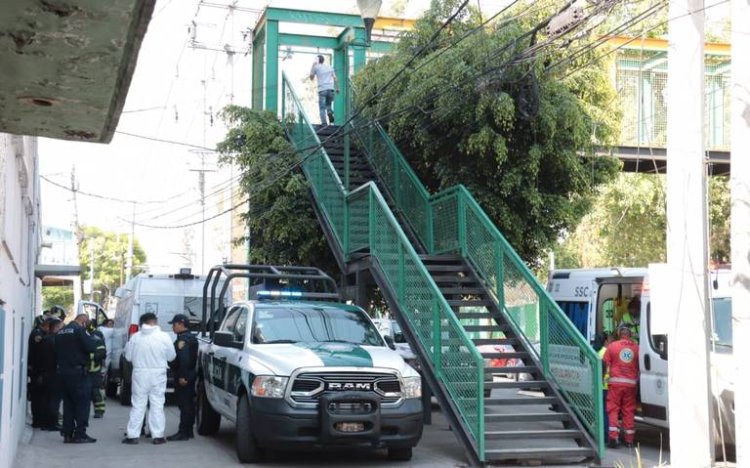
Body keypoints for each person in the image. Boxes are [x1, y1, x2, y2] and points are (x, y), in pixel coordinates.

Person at [122, 313, 176, 445]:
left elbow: (128, 357)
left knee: (138, 404)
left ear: (142, 323)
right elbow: (171, 356)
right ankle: (157, 435)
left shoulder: (135, 338)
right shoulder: (164, 337)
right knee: (157, 404)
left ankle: (132, 435)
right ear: (155, 322)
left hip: (140, 373)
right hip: (158, 374)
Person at [54, 313, 99, 443]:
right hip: (78, 373)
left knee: (68, 403)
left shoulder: (61, 331)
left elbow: (55, 350)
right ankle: (80, 433)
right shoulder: (80, 330)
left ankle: (67, 433)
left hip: (63, 372)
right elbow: (91, 347)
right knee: (82, 403)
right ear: (84, 322)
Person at [603, 323, 640, 449]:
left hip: (615, 384)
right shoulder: (637, 347)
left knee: (613, 410)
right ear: (630, 334)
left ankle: (613, 437)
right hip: (630, 385)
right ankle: (629, 440)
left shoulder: (612, 346)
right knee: (628, 411)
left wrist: (602, 378)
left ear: (619, 333)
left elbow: (604, 363)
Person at [167, 314, 199, 441]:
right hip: (189, 375)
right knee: (188, 404)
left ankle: (183, 432)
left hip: (184, 376)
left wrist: (182, 376)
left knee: (184, 405)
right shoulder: (189, 337)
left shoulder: (183, 340)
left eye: (174, 324)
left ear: (181, 324)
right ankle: (189, 431)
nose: (173, 327)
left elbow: (184, 360)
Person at [39, 316, 63, 431]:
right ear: (56, 327)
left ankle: (45, 423)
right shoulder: (55, 340)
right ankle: (52, 423)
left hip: (46, 372)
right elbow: (58, 357)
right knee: (54, 400)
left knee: (46, 399)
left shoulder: (45, 338)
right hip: (53, 373)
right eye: (60, 327)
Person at [28, 315, 51, 428]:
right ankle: (38, 421)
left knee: (39, 397)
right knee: (38, 397)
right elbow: (38, 354)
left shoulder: (39, 333)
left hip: (37, 370)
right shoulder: (38, 334)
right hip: (37, 370)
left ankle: (39, 420)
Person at [309, 54, 339, 125]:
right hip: (331, 89)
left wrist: (313, 65)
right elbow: (335, 78)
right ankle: (329, 112)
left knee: (322, 108)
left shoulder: (316, 67)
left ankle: (324, 124)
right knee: (328, 105)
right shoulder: (330, 67)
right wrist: (337, 88)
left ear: (317, 60)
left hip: (322, 90)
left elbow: (311, 77)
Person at [597, 331, 614, 437]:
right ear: (606, 341)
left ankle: (604, 434)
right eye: (611, 339)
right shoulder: (607, 352)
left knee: (604, 412)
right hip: (607, 386)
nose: (612, 341)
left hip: (603, 386)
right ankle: (607, 435)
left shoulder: (599, 352)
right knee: (607, 412)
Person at [87, 326, 107, 418]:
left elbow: (102, 353)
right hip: (85, 371)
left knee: (96, 392)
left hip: (95, 370)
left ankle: (99, 411)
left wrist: (90, 356)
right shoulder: (83, 337)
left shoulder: (97, 337)